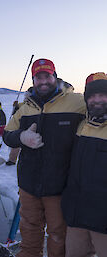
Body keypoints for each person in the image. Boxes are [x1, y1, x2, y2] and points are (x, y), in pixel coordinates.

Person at [3, 58, 86, 257]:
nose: (43, 82)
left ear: (55, 77)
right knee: (30, 230)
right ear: (33, 80)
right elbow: (7, 135)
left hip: (60, 185)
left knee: (58, 234)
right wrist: (22, 137)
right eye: (38, 77)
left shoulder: (77, 102)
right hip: (29, 185)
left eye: (47, 76)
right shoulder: (25, 107)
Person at [61, 72, 107, 256]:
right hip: (77, 216)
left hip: (103, 221)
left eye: (102, 94)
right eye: (92, 96)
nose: (97, 100)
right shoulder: (81, 126)